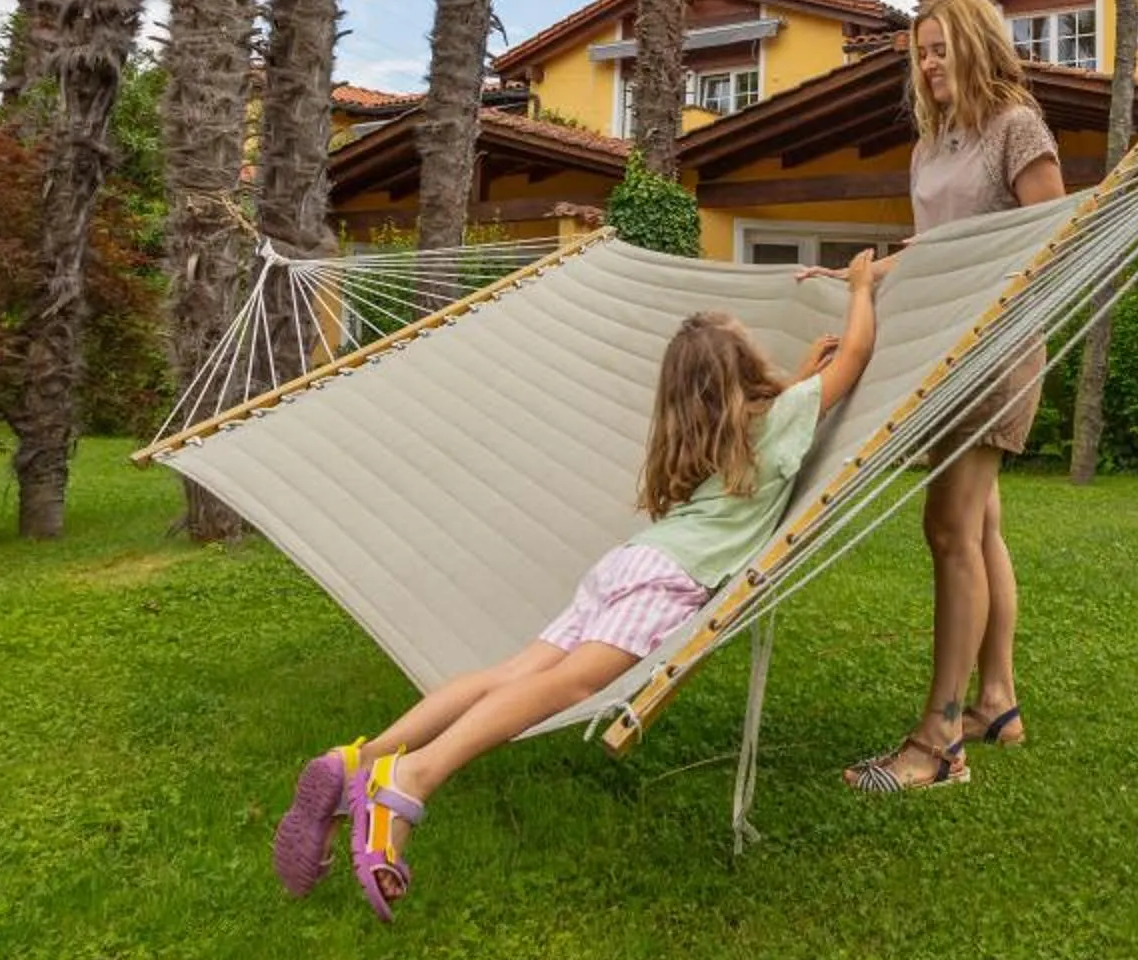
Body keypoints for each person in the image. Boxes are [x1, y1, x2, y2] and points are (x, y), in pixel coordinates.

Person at [275, 256, 880, 921]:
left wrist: (798, 378)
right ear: (745, 368)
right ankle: (410, 779)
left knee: (509, 673)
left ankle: (357, 759)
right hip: (673, 575)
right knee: (572, 684)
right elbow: (857, 353)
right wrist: (857, 289)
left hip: (627, 564)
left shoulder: (727, 431)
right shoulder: (779, 417)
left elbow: (761, 420)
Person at [821, 0, 1065, 793]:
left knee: (949, 529)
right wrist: (860, 274)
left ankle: (939, 742)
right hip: (942, 347)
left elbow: (1054, 235)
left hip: (993, 349)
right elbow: (934, 249)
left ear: (974, 45)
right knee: (982, 523)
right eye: (919, 53)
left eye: (939, 48)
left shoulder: (1015, 127)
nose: (927, 65)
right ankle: (996, 702)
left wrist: (991, 304)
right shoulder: (932, 150)